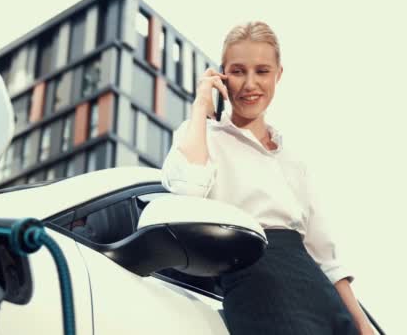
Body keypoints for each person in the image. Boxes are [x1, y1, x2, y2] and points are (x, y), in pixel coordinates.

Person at [160, 21, 375, 335]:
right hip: (260, 286)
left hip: (320, 293)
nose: (249, 84)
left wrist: (360, 322)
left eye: (261, 71)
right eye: (237, 71)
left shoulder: (293, 160)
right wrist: (201, 106)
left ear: (278, 75)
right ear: (221, 75)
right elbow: (188, 190)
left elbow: (325, 255)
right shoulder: (203, 137)